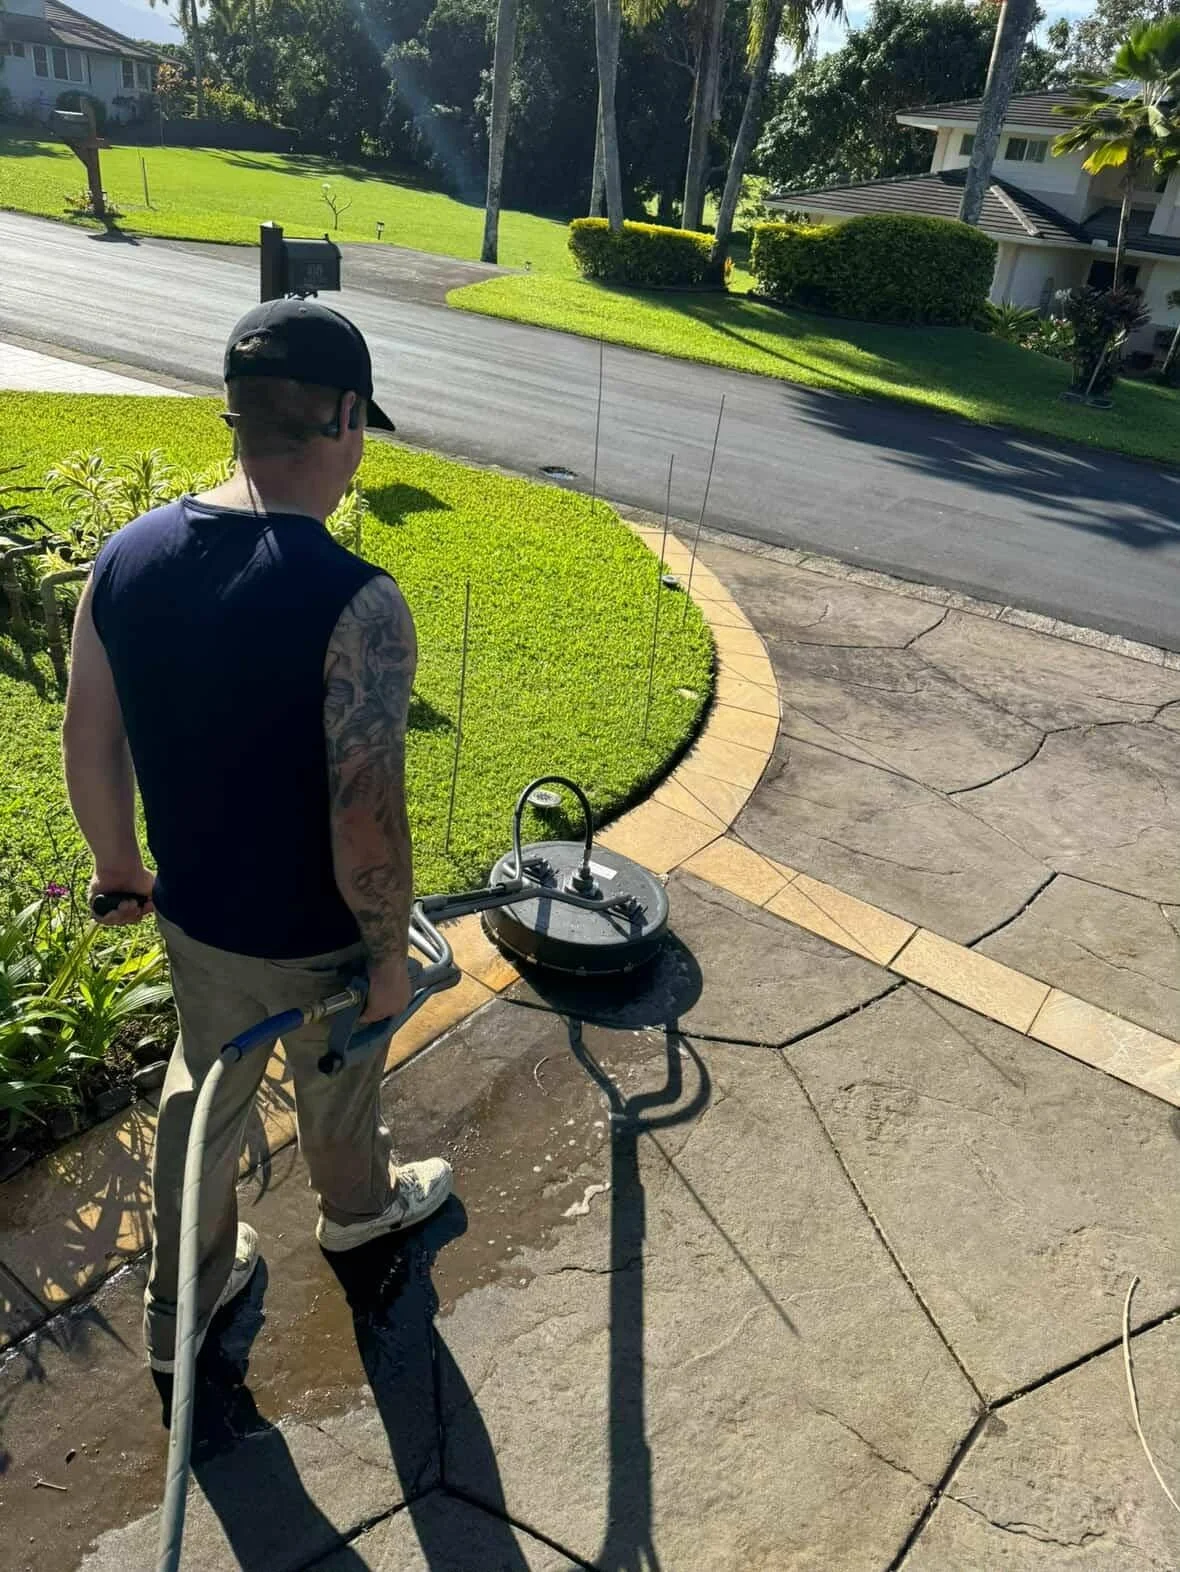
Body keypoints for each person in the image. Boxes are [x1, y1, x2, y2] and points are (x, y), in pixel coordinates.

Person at [62, 299, 452, 1374]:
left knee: (203, 1088)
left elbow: (88, 737)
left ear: (236, 415)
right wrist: (384, 957)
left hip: (198, 917)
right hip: (317, 937)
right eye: (360, 421)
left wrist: (118, 869)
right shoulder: (356, 600)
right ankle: (358, 1214)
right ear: (338, 417)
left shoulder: (126, 559)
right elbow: (363, 810)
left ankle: (179, 1302)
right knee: (338, 1079)